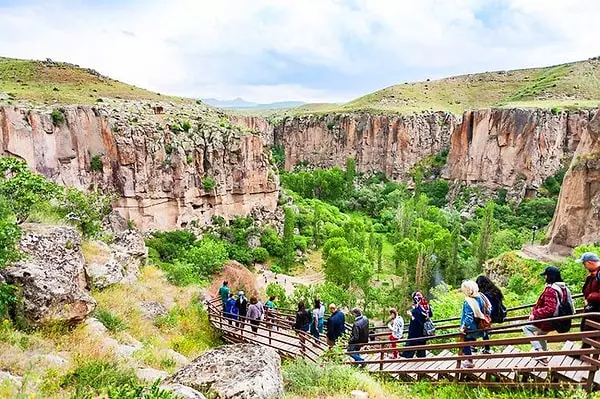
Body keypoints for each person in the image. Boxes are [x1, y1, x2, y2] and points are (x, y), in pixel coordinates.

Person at [522, 266, 570, 365]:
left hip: (548, 320)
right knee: (540, 335)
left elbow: (550, 308)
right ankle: (544, 358)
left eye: (546, 276)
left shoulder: (551, 291)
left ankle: (540, 352)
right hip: (556, 319)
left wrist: (535, 314)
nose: (545, 278)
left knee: (526, 328)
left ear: (550, 276)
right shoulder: (562, 287)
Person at [459, 280, 492, 368]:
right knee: (470, 341)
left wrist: (463, 327)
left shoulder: (468, 301)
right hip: (480, 326)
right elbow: (489, 309)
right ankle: (467, 356)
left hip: (472, 327)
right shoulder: (481, 297)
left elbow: (469, 318)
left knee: (465, 340)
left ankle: (469, 361)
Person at [476, 275, 505, 354]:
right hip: (501, 314)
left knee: (480, 323)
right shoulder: (495, 290)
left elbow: (490, 309)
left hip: (494, 316)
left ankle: (479, 346)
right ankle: (483, 347)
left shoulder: (486, 295)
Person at [401, 291, 433, 358]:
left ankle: (407, 355)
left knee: (411, 343)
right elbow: (430, 314)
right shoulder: (426, 306)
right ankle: (421, 356)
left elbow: (416, 319)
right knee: (421, 344)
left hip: (415, 330)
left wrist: (410, 315)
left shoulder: (417, 308)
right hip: (423, 330)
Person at [579, 252, 600, 346]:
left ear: (590, 262)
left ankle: (584, 353)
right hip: (591, 309)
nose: (584, 266)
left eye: (584, 263)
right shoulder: (592, 275)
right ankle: (584, 352)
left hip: (597, 311)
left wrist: (590, 297)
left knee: (588, 331)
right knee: (584, 329)